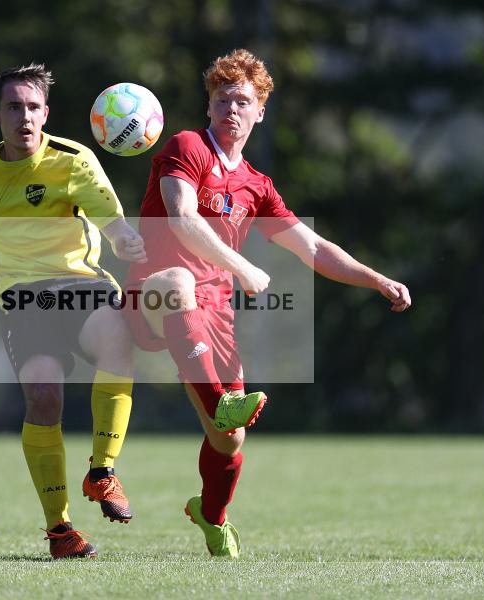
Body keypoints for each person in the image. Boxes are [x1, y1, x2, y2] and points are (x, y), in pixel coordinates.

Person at [124, 49, 412, 558]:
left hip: (213, 313)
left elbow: (315, 248)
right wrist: (243, 267)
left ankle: (211, 515)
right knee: (176, 281)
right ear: (209, 106)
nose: (231, 108)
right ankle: (222, 402)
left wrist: (377, 279)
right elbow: (180, 217)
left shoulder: (258, 186)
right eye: (221, 99)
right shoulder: (186, 147)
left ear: (260, 111)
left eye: (243, 101)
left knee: (228, 442)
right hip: (152, 294)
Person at [0, 63, 147, 560]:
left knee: (118, 339)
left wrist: (125, 239)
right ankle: (60, 531)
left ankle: (103, 471)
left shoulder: (74, 160)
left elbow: (110, 217)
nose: (25, 117)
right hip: (22, 297)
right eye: (14, 107)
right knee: (44, 399)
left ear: (47, 114)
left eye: (33, 107)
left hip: (80, 283)